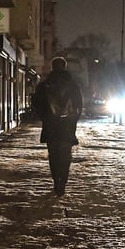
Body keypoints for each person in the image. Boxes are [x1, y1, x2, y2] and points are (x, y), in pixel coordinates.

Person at [32, 57, 83, 195]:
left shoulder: (45, 85)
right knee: (65, 154)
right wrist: (73, 120)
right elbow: (79, 105)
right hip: (67, 126)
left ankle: (56, 181)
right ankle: (63, 182)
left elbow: (36, 104)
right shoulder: (73, 85)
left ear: (53, 67)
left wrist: (45, 118)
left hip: (51, 126)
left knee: (53, 154)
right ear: (65, 67)